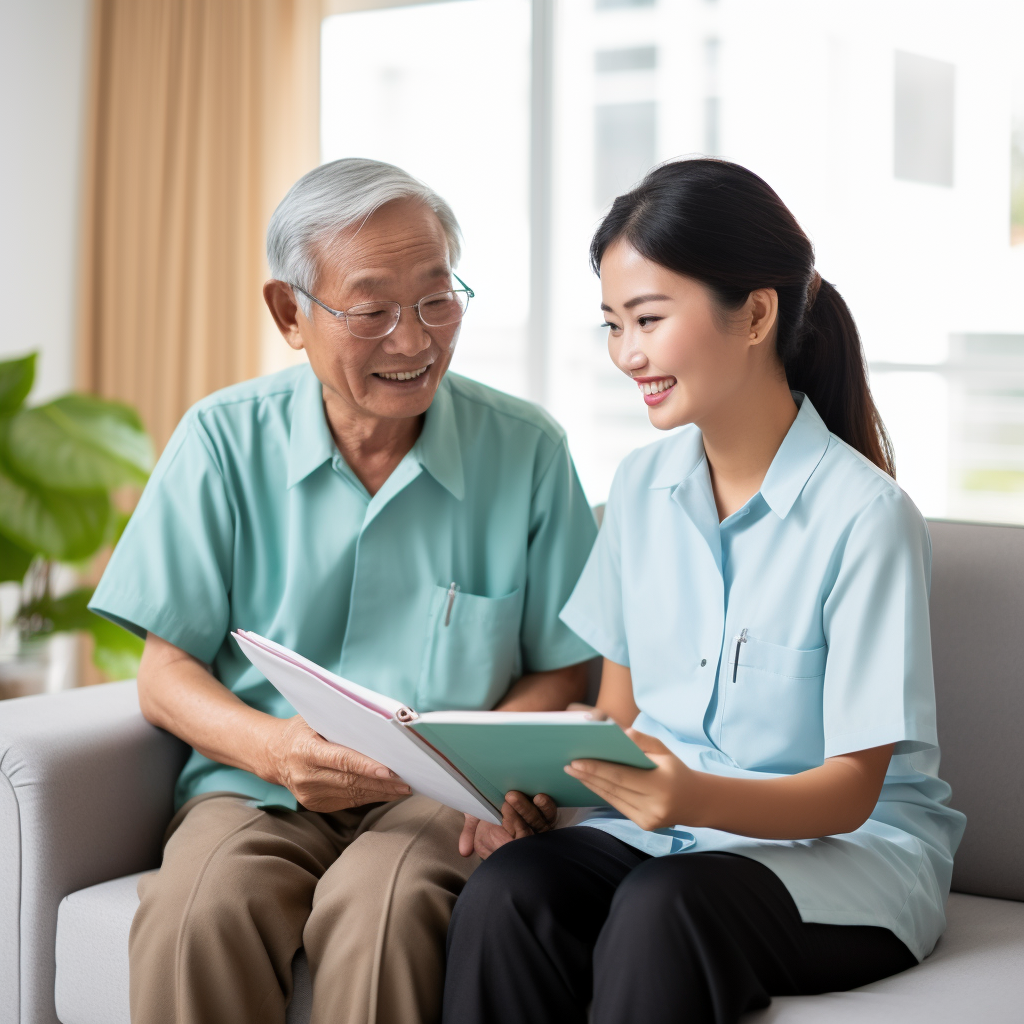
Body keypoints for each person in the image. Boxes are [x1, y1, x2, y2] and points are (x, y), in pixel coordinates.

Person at [442, 158, 967, 1024]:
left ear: (756, 313)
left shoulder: (866, 518)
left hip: (848, 861)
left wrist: (692, 797)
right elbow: (619, 719)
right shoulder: (639, 492)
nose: (628, 354)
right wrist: (542, 789)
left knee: (665, 907)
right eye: (614, 324)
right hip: (671, 841)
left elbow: (852, 791)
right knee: (510, 890)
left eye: (648, 319)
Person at [88, 158, 598, 1024]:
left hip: (440, 797)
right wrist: (273, 751)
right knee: (194, 915)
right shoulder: (220, 441)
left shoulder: (530, 451)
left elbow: (563, 674)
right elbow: (164, 671)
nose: (414, 339)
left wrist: (477, 771)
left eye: (438, 300)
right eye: (372, 311)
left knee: (386, 909)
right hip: (258, 782)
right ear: (290, 312)